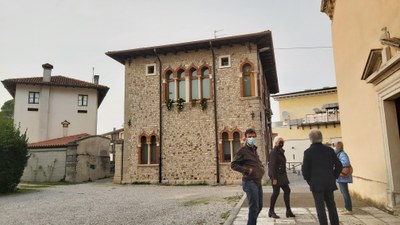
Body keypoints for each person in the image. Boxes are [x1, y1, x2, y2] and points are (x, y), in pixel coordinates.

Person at [302, 129, 343, 225]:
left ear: (310, 139)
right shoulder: (329, 150)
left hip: (316, 184)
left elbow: (305, 170)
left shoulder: (308, 152)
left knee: (320, 207)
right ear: (321, 138)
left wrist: (309, 180)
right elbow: (339, 165)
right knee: (331, 206)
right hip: (329, 182)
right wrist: (334, 176)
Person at [231, 128, 265, 225]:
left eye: (253, 137)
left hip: (257, 180)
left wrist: (261, 169)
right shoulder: (243, 150)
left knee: (259, 206)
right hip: (249, 182)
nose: (252, 139)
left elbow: (257, 163)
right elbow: (233, 165)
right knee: (254, 207)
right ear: (245, 138)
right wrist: (246, 170)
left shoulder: (254, 149)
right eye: (249, 137)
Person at [267, 136, 295, 218]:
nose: (282, 143)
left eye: (282, 141)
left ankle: (288, 211)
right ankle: (271, 211)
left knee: (287, 190)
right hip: (276, 176)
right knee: (276, 193)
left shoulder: (281, 151)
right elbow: (272, 166)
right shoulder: (273, 152)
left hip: (282, 175)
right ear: (275, 143)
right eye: (280, 141)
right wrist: (274, 178)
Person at [335, 141, 353, 215]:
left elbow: (346, 163)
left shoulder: (342, 154)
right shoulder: (339, 154)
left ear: (339, 146)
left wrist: (336, 163)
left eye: (335, 146)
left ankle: (349, 209)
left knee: (345, 193)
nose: (335, 147)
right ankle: (346, 207)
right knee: (343, 192)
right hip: (341, 177)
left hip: (343, 177)